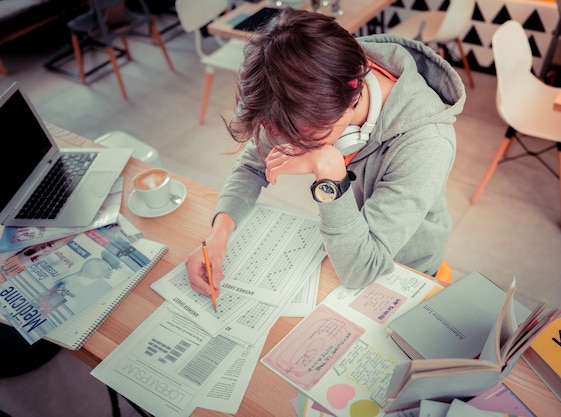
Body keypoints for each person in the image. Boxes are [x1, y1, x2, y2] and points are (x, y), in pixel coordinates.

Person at [185, 8, 466, 298]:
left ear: (352, 96)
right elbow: (253, 164)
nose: (288, 142)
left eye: (305, 138)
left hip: (404, 269)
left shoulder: (427, 144)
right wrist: (218, 236)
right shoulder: (310, 85)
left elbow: (361, 269)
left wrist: (331, 177)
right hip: (342, 243)